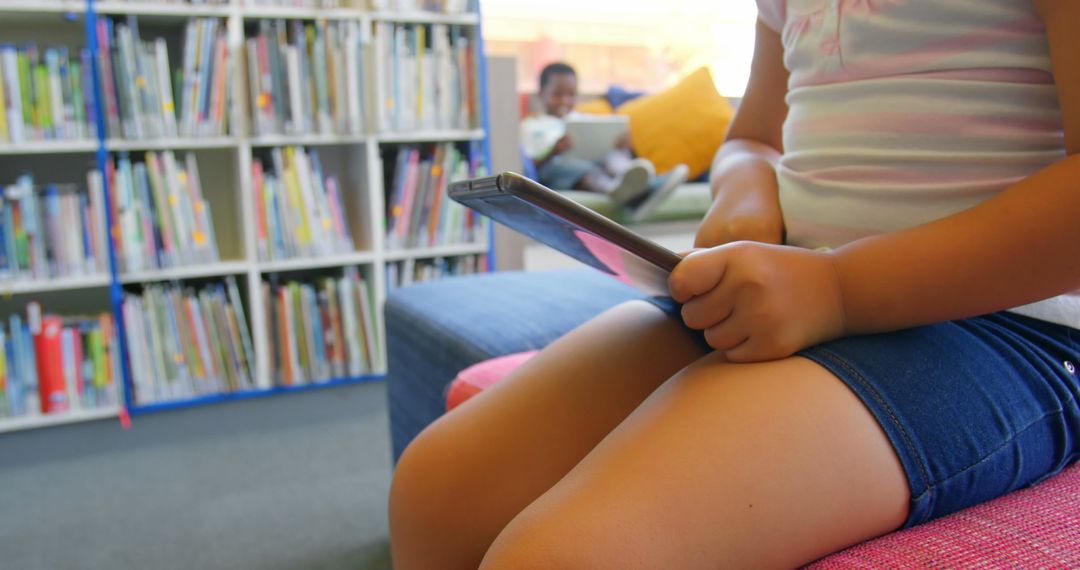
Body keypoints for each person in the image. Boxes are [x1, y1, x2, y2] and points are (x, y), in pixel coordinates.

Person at [390, 0, 1080, 567]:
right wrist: (746, 189)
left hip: (1003, 324)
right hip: (786, 286)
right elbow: (754, 136)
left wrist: (840, 288)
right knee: (435, 489)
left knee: (565, 556)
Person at [521, 62, 688, 217]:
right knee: (574, 167)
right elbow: (527, 167)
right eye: (557, 95)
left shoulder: (583, 120)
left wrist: (623, 146)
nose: (565, 101)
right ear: (541, 95)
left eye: (571, 95)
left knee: (613, 157)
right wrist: (554, 151)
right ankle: (615, 190)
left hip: (596, 162)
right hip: (558, 171)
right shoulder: (532, 126)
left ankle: (643, 184)